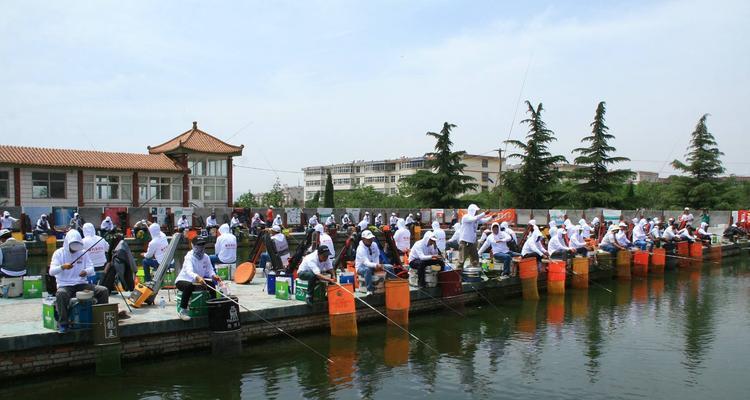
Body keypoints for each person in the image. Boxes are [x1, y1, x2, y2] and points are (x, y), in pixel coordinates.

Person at [49, 230, 109, 333]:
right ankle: (63, 323)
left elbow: (91, 269)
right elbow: (51, 272)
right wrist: (62, 267)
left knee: (103, 290)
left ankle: (100, 318)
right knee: (61, 294)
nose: (74, 251)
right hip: (65, 284)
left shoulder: (83, 253)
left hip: (81, 284)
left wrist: (85, 272)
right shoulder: (58, 253)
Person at [175, 236, 220, 321]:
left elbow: (210, 270)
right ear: (193, 245)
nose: (200, 248)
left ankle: (213, 308)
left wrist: (213, 276)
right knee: (188, 286)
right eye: (198, 245)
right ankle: (183, 311)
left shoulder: (206, 257)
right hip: (184, 280)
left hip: (198, 281)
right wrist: (197, 277)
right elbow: (189, 271)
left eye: (202, 245)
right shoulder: (189, 257)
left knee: (212, 285)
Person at [355, 230, 393, 295]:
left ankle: (392, 285)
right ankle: (369, 290)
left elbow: (376, 256)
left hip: (373, 265)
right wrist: (376, 265)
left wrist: (377, 265)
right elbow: (366, 262)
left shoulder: (374, 244)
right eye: (368, 239)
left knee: (390, 267)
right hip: (361, 266)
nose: (370, 240)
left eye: (371, 238)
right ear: (363, 239)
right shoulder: (360, 249)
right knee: (367, 270)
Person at [456, 204, 492, 270]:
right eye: (476, 211)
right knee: (461, 261)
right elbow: (474, 218)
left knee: (475, 260)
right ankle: (457, 274)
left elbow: (483, 220)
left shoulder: (476, 218)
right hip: (464, 242)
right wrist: (484, 213)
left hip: (472, 243)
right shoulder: (466, 217)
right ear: (472, 211)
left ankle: (475, 273)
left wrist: (491, 217)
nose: (477, 212)